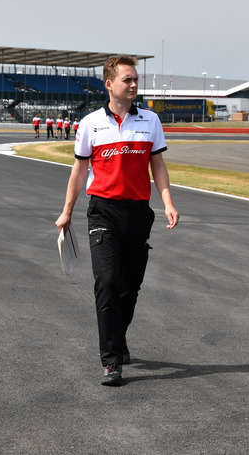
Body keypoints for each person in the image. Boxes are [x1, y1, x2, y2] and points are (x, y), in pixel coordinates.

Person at [55, 55, 180, 386]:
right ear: (109, 84)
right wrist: (67, 210)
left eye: (136, 79)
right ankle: (111, 360)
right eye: (128, 79)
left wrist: (167, 201)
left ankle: (118, 336)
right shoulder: (90, 124)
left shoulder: (150, 121)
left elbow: (159, 166)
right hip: (103, 211)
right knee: (107, 281)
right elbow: (80, 170)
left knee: (130, 285)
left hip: (139, 212)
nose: (134, 84)